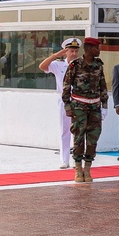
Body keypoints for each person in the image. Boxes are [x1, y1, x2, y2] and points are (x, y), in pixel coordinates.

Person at [62, 37, 108, 184]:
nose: (99, 50)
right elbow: (66, 86)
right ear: (89, 49)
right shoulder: (75, 65)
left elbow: (102, 85)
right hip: (79, 106)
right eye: (96, 48)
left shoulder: (98, 65)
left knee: (93, 138)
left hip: (95, 106)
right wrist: (67, 106)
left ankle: (87, 169)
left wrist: (105, 105)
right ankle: (77, 169)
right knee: (79, 137)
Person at [39, 37, 81, 169]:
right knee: (65, 130)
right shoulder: (59, 64)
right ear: (66, 51)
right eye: (71, 51)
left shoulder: (82, 65)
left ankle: (77, 159)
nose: (74, 53)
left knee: (79, 131)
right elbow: (42, 66)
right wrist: (56, 55)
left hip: (79, 101)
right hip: (64, 101)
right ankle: (64, 160)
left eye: (76, 51)